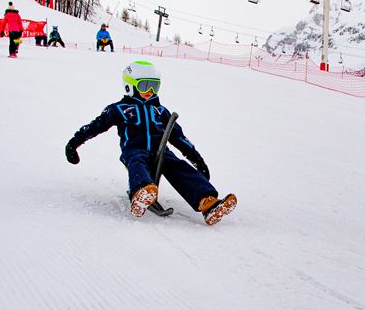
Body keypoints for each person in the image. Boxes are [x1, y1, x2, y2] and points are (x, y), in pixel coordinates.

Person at [65, 60, 237, 225]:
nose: (150, 91)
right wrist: (74, 143)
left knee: (178, 166)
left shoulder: (160, 111)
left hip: (161, 151)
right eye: (144, 86)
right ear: (129, 86)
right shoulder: (119, 109)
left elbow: (178, 136)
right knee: (137, 161)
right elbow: (95, 127)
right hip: (134, 149)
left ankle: (207, 203)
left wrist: (196, 159)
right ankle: (141, 192)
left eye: (154, 86)